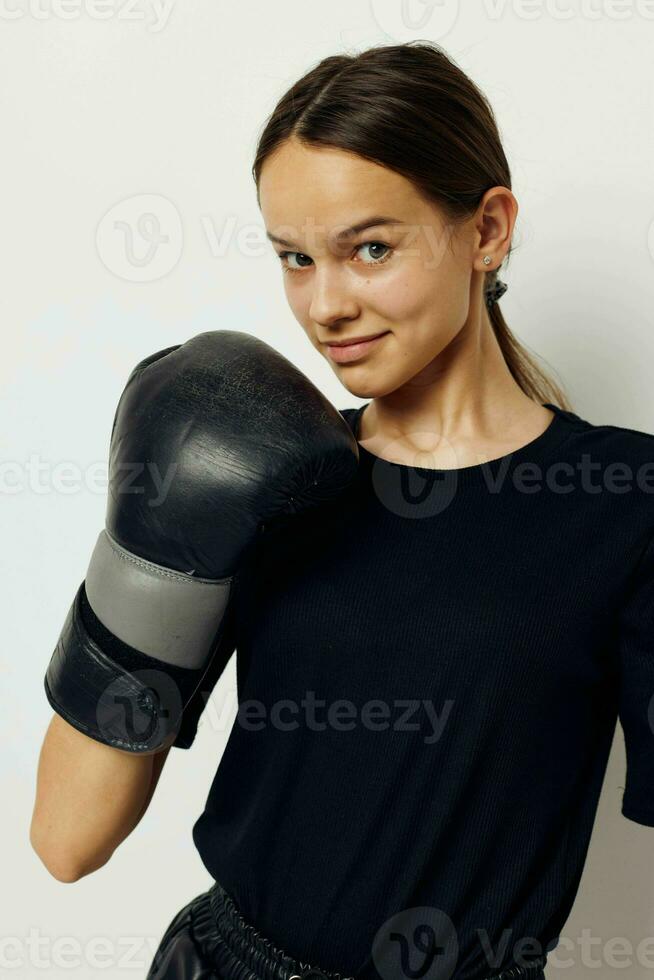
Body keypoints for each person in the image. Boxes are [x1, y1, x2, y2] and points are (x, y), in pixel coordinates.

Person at [31, 41, 654, 980]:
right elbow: (66, 841)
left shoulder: (623, 504)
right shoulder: (262, 469)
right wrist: (147, 543)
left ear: (486, 230)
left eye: (370, 248)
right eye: (294, 257)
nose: (324, 305)